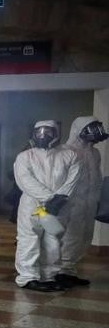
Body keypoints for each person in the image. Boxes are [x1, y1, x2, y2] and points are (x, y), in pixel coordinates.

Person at [15, 120, 81, 292]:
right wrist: (50, 198)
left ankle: (49, 276)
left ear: (56, 133)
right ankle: (28, 277)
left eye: (48, 131)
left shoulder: (70, 155)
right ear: (33, 133)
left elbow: (72, 180)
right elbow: (25, 180)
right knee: (28, 240)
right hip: (32, 205)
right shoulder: (25, 156)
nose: (43, 135)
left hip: (59, 206)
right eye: (39, 132)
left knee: (53, 242)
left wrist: (60, 199)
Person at [56, 116, 107, 288]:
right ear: (79, 130)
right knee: (71, 236)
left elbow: (97, 178)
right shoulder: (65, 151)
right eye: (90, 128)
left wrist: (98, 198)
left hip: (90, 201)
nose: (95, 132)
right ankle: (61, 271)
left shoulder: (95, 153)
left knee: (86, 236)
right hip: (72, 202)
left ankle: (70, 271)